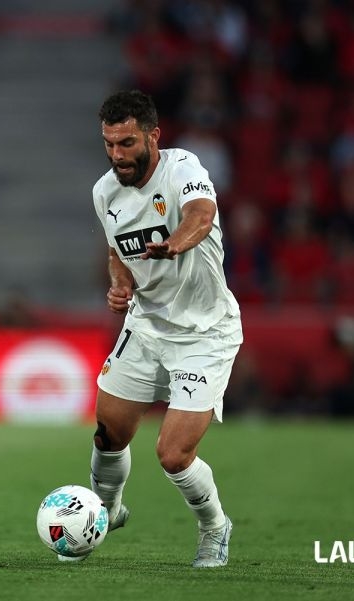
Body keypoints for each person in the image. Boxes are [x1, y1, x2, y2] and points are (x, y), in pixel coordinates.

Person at [83, 89, 242, 567]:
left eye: (127, 143)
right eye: (110, 144)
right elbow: (116, 252)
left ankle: (215, 527)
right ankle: (106, 512)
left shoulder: (183, 169)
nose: (117, 155)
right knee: (108, 434)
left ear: (154, 136)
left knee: (173, 455)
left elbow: (202, 215)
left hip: (204, 333)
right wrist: (119, 286)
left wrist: (174, 244)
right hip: (147, 324)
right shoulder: (104, 191)